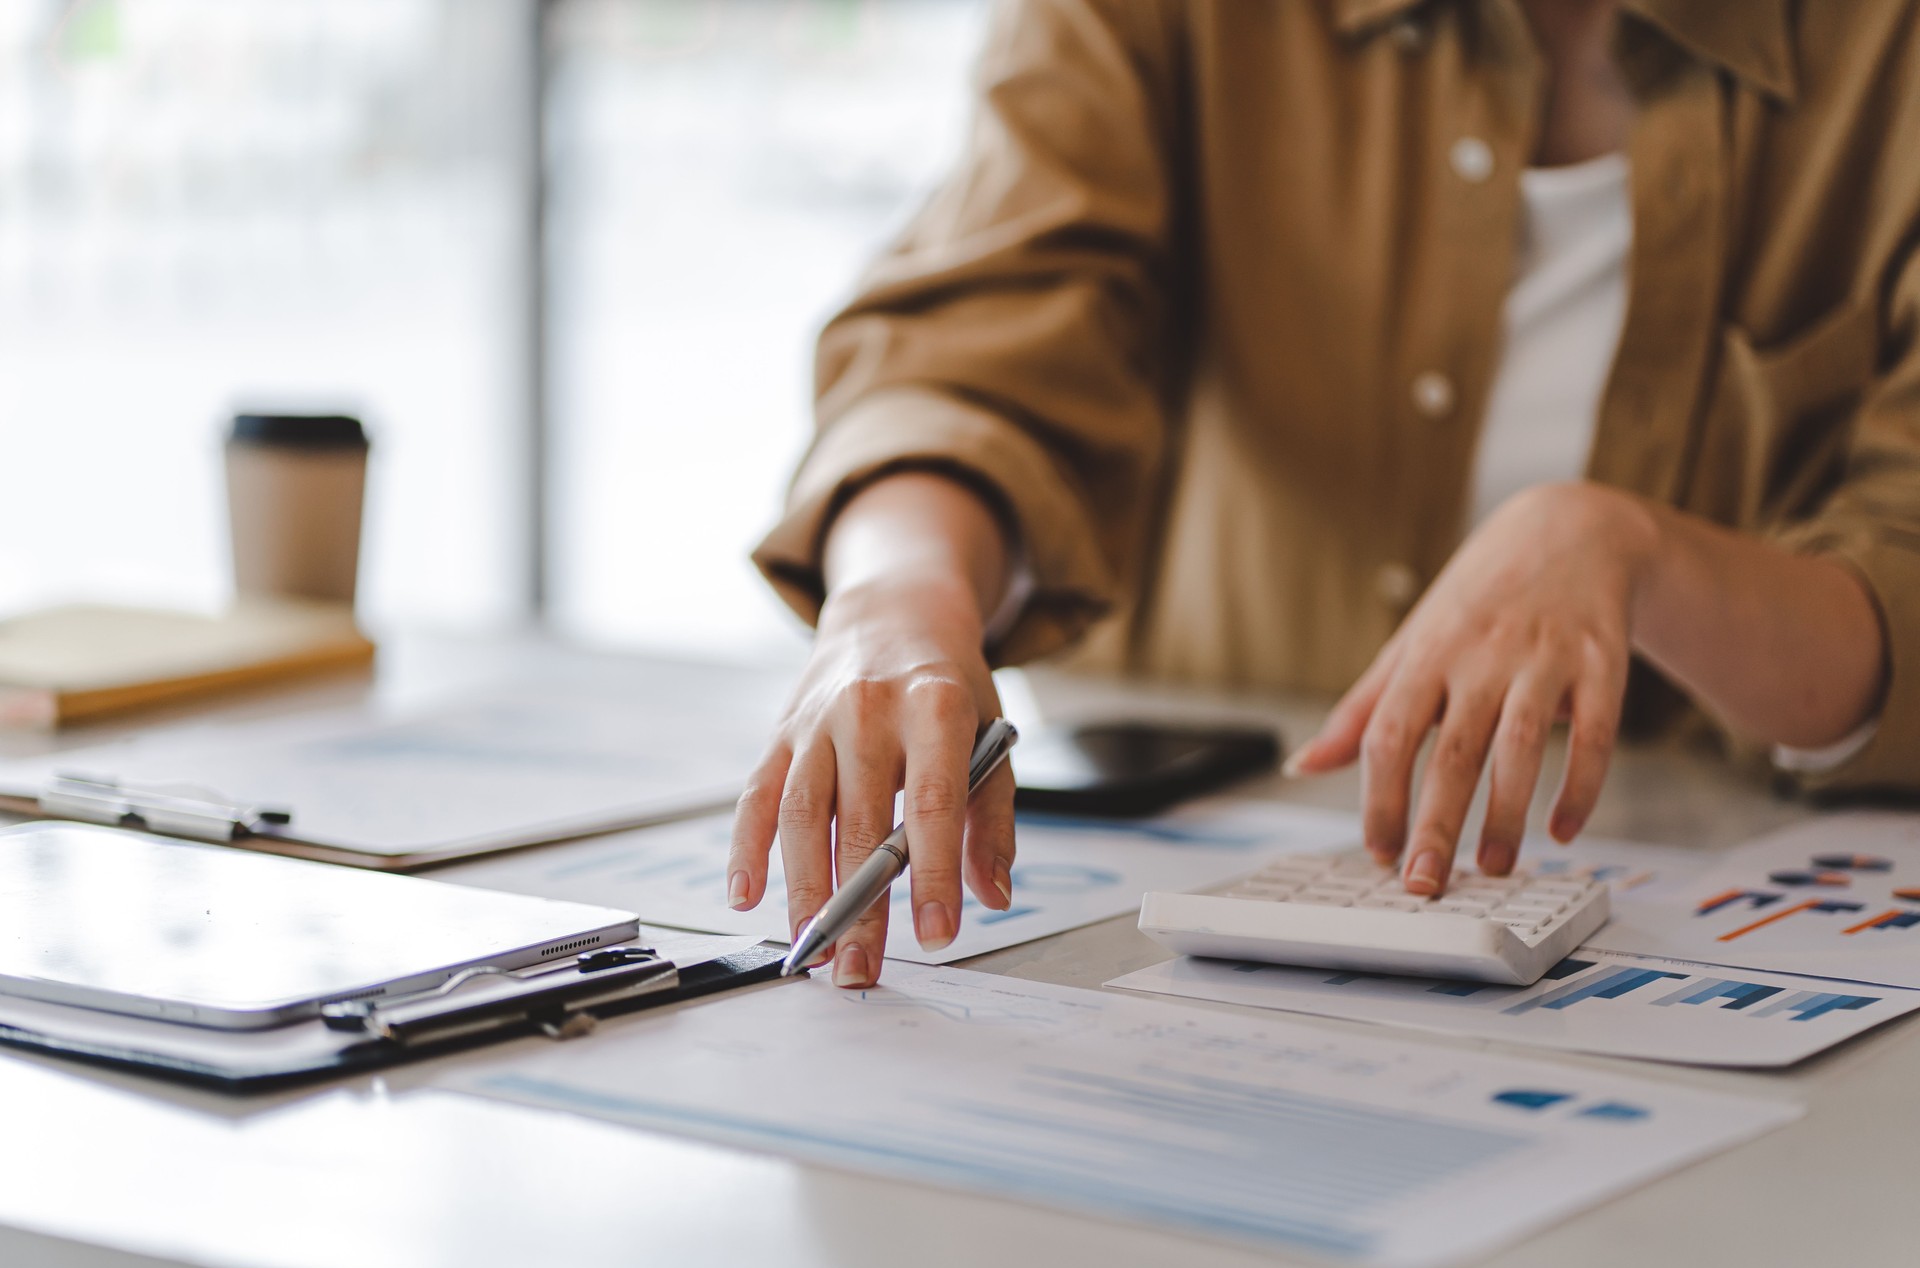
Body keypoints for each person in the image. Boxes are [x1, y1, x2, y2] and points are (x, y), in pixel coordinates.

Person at [728, 0, 1920, 989]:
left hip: (1692, 942)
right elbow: (973, 350)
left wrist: (1633, 551)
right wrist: (896, 597)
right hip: (1181, 925)